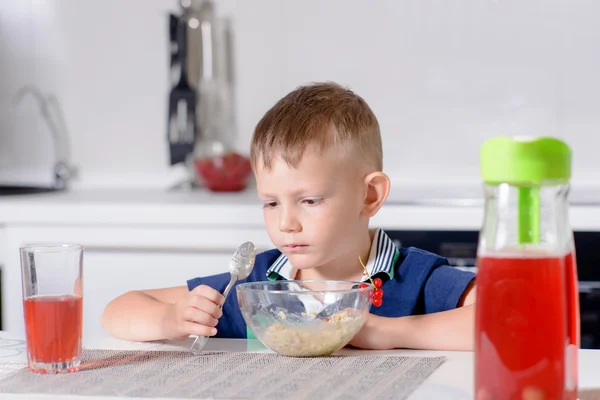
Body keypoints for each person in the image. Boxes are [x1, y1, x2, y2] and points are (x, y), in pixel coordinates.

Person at [101, 82, 476, 350]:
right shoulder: (255, 288)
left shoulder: (411, 277)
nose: (286, 223)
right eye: (271, 203)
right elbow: (119, 309)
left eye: (309, 201)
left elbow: (514, 316)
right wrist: (171, 321)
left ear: (369, 195)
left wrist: (387, 333)